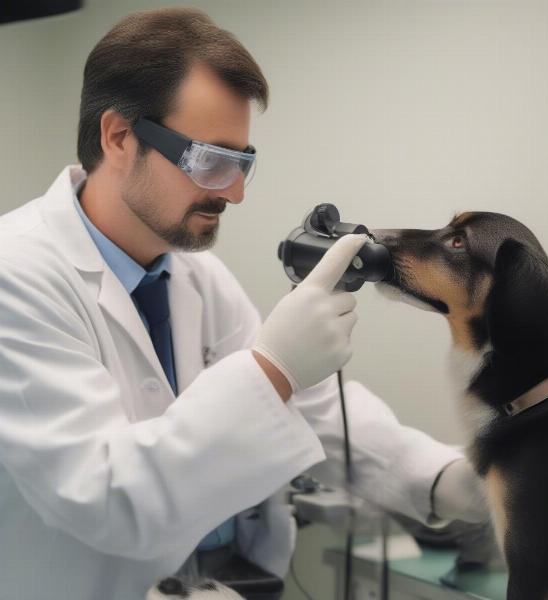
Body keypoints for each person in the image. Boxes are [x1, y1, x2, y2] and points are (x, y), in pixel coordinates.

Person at [0, 7, 488, 600]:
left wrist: (443, 479)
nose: (232, 191)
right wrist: (271, 368)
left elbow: (312, 408)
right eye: (210, 160)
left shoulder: (196, 273)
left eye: (243, 163)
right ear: (119, 137)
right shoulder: (16, 274)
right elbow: (105, 493)